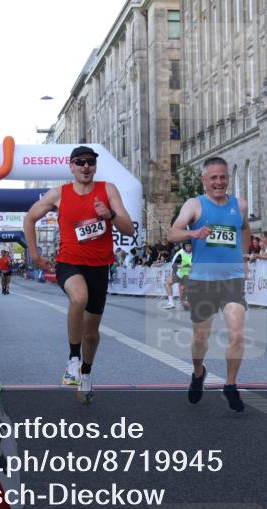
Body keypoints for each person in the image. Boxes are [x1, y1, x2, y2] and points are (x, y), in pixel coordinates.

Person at [24, 146, 136, 404]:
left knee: (92, 333)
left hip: (99, 266)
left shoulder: (108, 190)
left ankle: (85, 371)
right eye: (80, 162)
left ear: (95, 166)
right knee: (78, 298)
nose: (85, 166)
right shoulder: (58, 194)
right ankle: (73, 360)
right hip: (69, 263)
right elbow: (29, 219)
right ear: (71, 167)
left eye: (90, 162)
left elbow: (128, 229)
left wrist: (109, 215)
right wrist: (36, 256)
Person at [168, 156, 250, 412]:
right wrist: (193, 233)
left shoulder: (240, 205)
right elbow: (172, 233)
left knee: (237, 334)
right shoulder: (195, 205)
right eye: (213, 178)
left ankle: (231, 385)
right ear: (204, 181)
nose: (219, 182)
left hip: (232, 280)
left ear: (228, 178)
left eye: (222, 177)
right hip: (202, 282)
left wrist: (244, 256)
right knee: (200, 338)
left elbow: (245, 229)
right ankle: (197, 372)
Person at [163, 241, 192, 309]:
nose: (189, 247)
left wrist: (185, 266)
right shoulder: (180, 253)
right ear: (184, 246)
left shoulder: (195, 253)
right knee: (167, 283)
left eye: (190, 245)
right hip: (180, 274)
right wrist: (185, 266)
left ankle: (187, 301)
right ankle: (171, 303)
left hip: (190, 275)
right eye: (187, 245)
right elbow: (174, 265)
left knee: (185, 304)